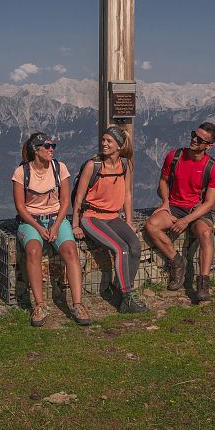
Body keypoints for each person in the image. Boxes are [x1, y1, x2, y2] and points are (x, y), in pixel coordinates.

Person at [12, 132, 89, 327]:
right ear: (35, 150)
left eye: (52, 145)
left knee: (70, 250)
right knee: (33, 250)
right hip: (31, 220)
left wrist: (55, 226)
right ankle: (39, 304)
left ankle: (77, 303)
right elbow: (21, 207)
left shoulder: (59, 168)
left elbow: (64, 201)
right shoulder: (21, 173)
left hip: (56, 218)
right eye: (47, 146)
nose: (51, 149)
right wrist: (38, 226)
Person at [144, 122, 215, 303]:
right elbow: (163, 181)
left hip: (196, 209)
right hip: (174, 205)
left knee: (205, 233)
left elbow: (209, 203)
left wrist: (186, 220)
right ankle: (177, 261)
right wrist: (165, 202)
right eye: (194, 134)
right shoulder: (174, 156)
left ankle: (203, 283)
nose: (194, 139)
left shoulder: (213, 167)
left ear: (209, 146)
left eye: (200, 139)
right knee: (151, 225)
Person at [72, 126, 146, 313]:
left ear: (119, 146)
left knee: (135, 247)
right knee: (120, 248)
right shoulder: (93, 165)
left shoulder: (125, 164)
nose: (104, 144)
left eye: (109, 141)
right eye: (103, 140)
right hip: (91, 217)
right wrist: (75, 224)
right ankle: (127, 297)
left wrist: (128, 221)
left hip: (113, 216)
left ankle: (121, 292)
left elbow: (127, 194)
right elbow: (79, 198)